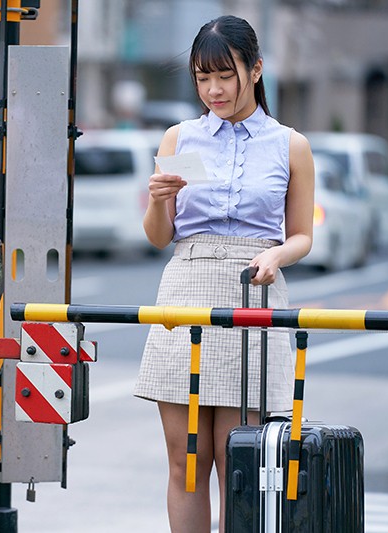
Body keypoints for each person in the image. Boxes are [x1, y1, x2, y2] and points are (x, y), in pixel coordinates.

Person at [133, 15, 314, 532]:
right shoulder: (179, 137)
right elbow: (159, 236)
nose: (213, 89)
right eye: (202, 76)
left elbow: (301, 234)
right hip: (185, 288)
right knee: (186, 463)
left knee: (243, 463)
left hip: (253, 290)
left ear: (255, 70)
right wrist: (157, 202)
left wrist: (277, 256)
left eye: (225, 75)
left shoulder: (289, 145)